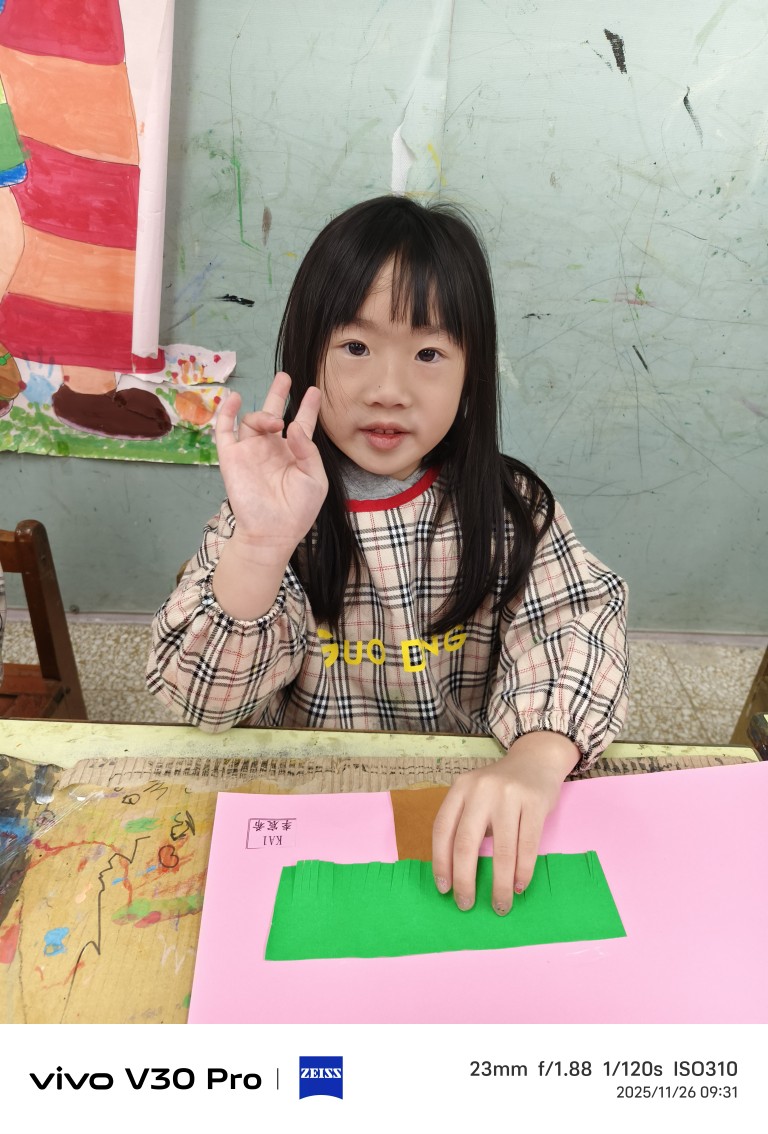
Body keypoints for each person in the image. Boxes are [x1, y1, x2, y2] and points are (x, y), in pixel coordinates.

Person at [147, 196, 628, 916]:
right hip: (309, 812)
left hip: (466, 808)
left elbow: (576, 629)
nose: (389, 391)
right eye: (356, 347)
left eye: (429, 354)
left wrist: (535, 757)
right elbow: (202, 702)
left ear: (472, 370)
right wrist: (262, 545)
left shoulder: (510, 507)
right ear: (309, 352)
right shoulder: (273, 506)